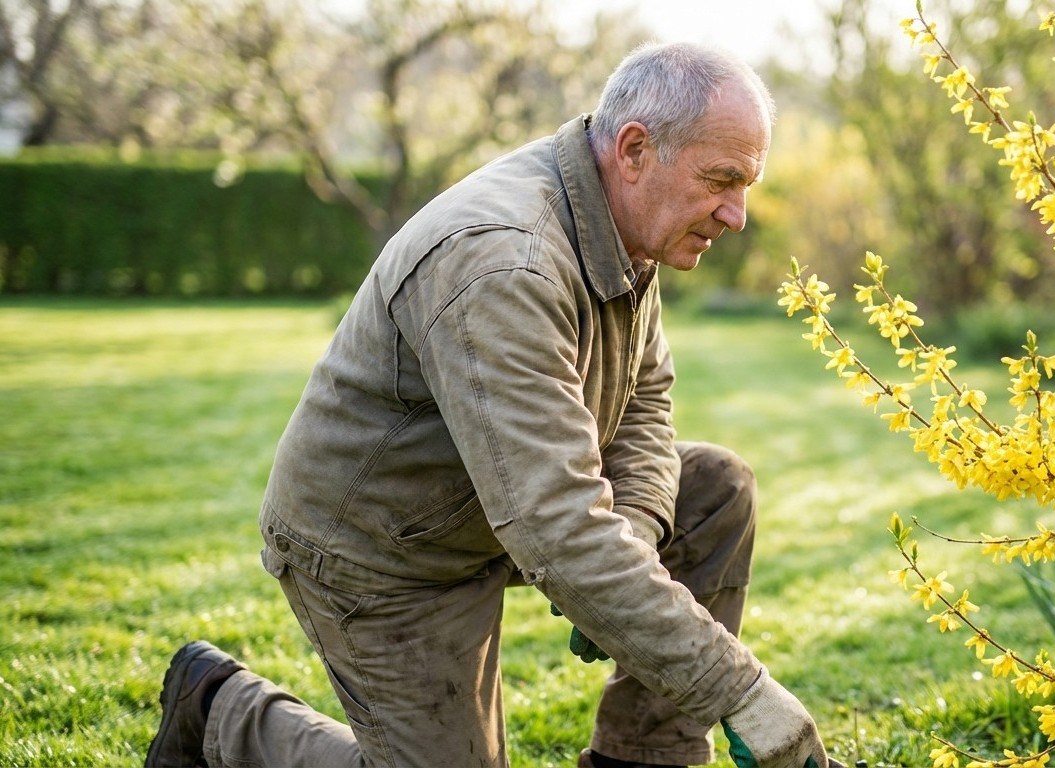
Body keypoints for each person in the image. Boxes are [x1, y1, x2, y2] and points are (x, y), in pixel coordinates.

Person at [145, 41, 834, 768]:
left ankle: (641, 760)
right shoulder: (504, 261)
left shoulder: (625, 221)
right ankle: (219, 708)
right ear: (635, 149)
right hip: (383, 548)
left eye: (746, 184)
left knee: (713, 488)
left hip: (488, 506)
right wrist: (744, 695)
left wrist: (629, 536)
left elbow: (642, 401)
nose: (738, 214)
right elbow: (557, 528)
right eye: (722, 179)